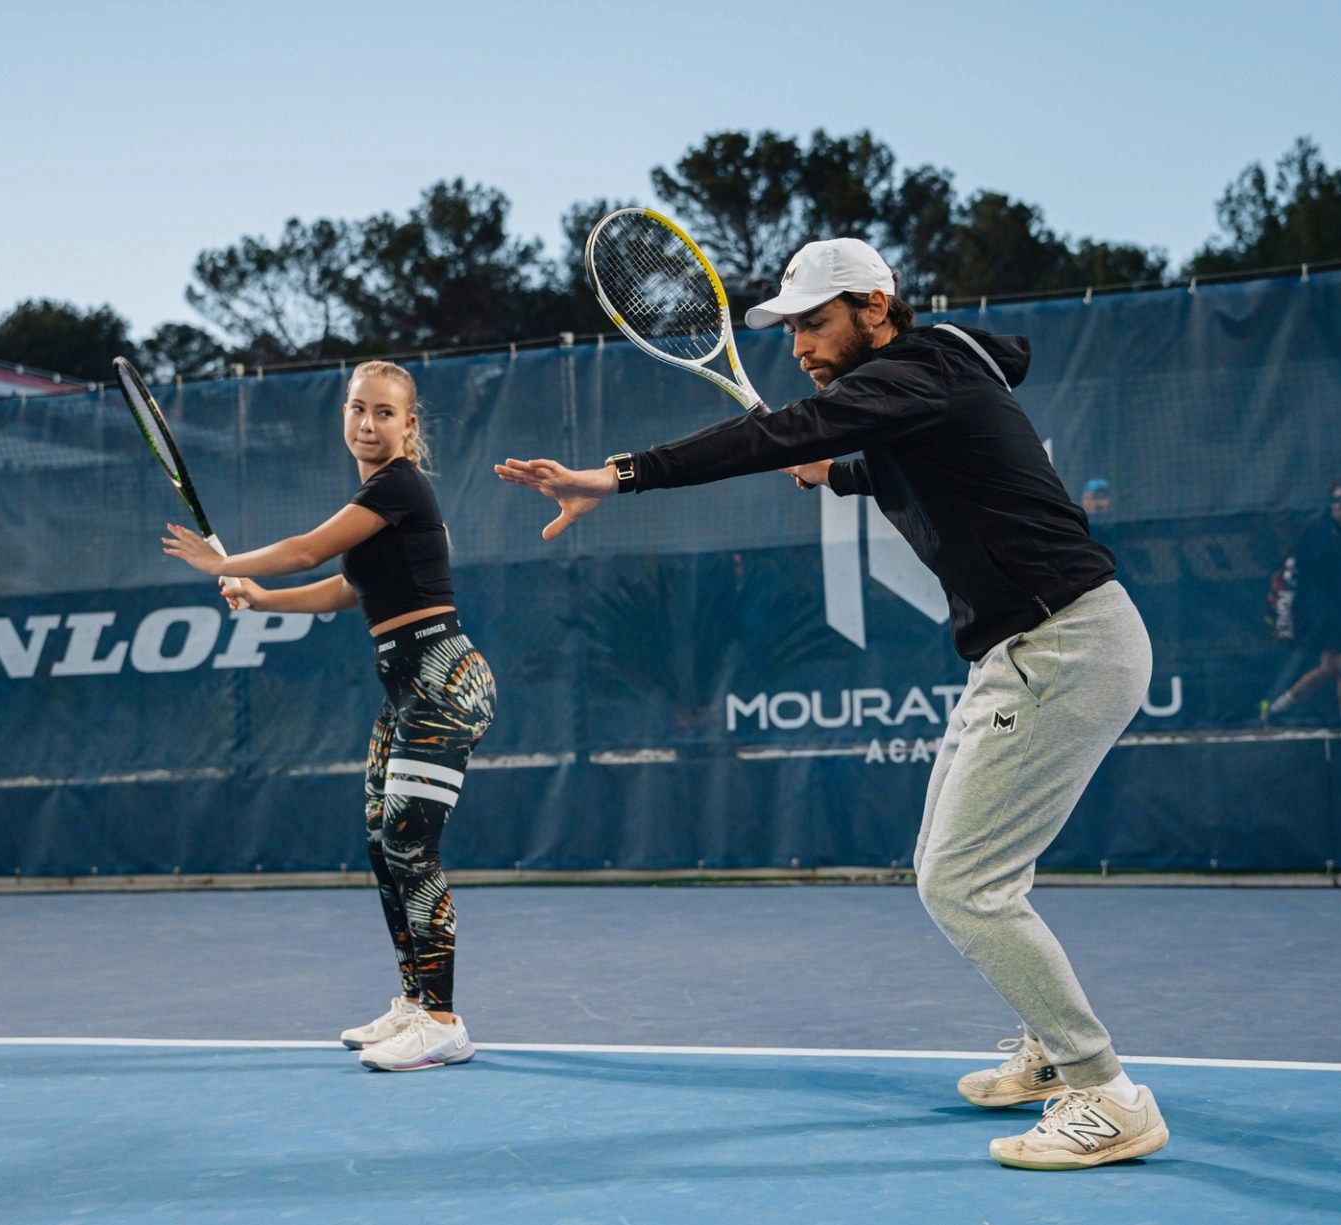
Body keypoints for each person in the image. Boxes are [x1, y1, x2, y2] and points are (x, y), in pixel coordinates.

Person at [496, 238, 1167, 1170]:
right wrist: (842, 469)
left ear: (877, 307)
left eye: (816, 321)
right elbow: (919, 459)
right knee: (956, 867)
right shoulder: (934, 379)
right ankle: (1055, 1054)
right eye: (790, 329)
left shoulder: (921, 365)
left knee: (963, 886)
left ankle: (1106, 1091)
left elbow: (783, 430)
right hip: (1032, 646)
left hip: (1064, 644)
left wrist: (619, 474)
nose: (801, 346)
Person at [162, 360, 496, 1072]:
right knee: (382, 844)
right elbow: (347, 588)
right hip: (405, 686)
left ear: (409, 425)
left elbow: (310, 548)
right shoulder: (378, 501)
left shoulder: (398, 485)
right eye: (357, 409)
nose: (367, 423)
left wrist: (220, 562)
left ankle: (442, 1019)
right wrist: (257, 595)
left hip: (443, 679)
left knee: (410, 847)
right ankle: (414, 1000)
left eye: (383, 412)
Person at [1263, 480, 1341, 729]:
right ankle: (1279, 707)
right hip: (1324, 611)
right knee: (1332, 668)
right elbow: (1306, 573)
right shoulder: (1317, 533)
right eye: (1338, 500)